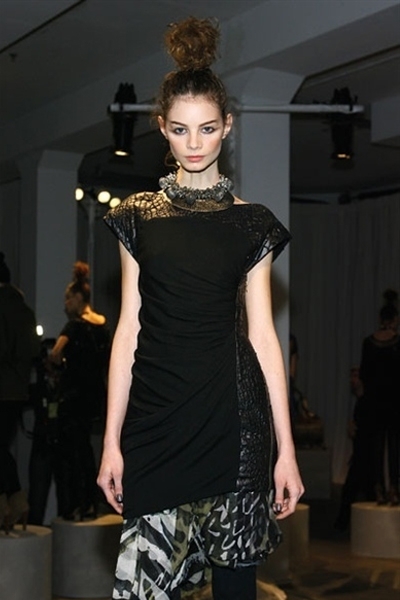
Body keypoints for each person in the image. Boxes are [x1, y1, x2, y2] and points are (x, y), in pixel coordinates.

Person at [97, 17, 304, 600]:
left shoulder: (251, 223)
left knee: (235, 591)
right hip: (156, 424)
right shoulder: (137, 216)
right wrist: (111, 441)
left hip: (234, 424)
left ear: (226, 127)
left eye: (207, 129)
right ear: (162, 128)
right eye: (181, 129)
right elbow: (128, 329)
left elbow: (263, 336)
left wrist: (286, 451)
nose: (194, 144)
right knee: (143, 590)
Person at [48, 261, 110, 520]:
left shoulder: (73, 326)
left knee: (72, 452)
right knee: (87, 449)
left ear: (77, 297)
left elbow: (55, 353)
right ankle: (92, 501)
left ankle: (78, 503)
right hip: (95, 395)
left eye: (68, 299)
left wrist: (60, 365)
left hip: (73, 396)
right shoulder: (102, 326)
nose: (65, 304)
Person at [0, 252, 39, 531]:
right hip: (17, 390)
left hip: (1, 387)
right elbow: (32, 350)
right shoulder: (23, 309)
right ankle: (16, 500)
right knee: (2, 447)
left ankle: (8, 502)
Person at [359, 289, 400, 507]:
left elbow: (364, 374)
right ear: (394, 319)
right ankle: (394, 488)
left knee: (376, 445)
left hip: (374, 401)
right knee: (394, 446)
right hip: (394, 401)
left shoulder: (369, 342)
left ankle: (378, 488)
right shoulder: (397, 342)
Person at [334, 366, 375, 531]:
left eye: (356, 376)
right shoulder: (362, 401)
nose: (352, 380)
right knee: (357, 490)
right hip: (360, 455)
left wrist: (355, 429)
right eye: (351, 376)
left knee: (356, 490)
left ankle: (345, 524)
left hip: (365, 456)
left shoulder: (367, 402)